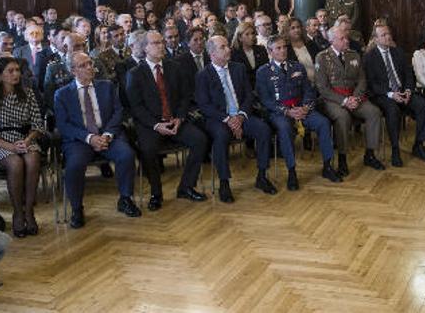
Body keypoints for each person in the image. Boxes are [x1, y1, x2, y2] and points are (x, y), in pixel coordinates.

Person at [54, 53, 141, 228]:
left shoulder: (107, 86)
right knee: (74, 165)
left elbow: (118, 112)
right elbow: (63, 125)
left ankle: (125, 198)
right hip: (80, 140)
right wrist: (89, 138)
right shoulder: (62, 94)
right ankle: (77, 208)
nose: (89, 67)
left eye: (90, 63)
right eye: (83, 65)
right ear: (73, 71)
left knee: (126, 155)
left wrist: (107, 135)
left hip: (107, 135)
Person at [127, 31, 209, 210]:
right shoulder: (135, 73)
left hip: (175, 120)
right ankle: (156, 193)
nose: (161, 46)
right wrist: (157, 125)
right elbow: (136, 107)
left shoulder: (174, 67)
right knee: (147, 149)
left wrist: (179, 118)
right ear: (145, 48)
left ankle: (186, 186)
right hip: (151, 125)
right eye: (156, 43)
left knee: (200, 139)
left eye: (162, 42)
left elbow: (185, 96)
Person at [196, 36, 276, 202]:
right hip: (218, 119)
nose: (228, 49)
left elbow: (248, 95)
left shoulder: (238, 68)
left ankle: (262, 176)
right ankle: (224, 183)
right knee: (221, 136)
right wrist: (228, 119)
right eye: (223, 47)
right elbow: (204, 106)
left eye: (227, 46)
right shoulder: (203, 75)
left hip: (241, 114)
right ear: (211, 53)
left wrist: (240, 116)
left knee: (263, 129)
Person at [256, 35, 342, 190]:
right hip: (279, 113)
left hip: (302, 109)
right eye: (278, 48)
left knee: (323, 123)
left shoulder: (297, 66)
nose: (283, 51)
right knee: (285, 128)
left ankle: (328, 166)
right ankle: (292, 171)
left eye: (285, 47)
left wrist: (305, 108)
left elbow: (308, 91)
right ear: (270, 51)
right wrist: (287, 111)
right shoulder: (263, 72)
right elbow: (265, 100)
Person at [0, 57, 46, 237]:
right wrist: (11, 147)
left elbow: (38, 125)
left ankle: (29, 211)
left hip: (24, 139)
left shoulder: (27, 92)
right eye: (11, 71)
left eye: (17, 70)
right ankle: (18, 212)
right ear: (0, 76)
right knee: (15, 163)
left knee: (33, 158)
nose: (16, 74)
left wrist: (28, 140)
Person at [315, 26, 384, 175]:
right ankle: (342, 159)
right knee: (342, 116)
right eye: (342, 38)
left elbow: (362, 80)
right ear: (331, 40)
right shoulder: (322, 57)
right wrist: (344, 101)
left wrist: (356, 98)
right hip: (332, 100)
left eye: (347, 38)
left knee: (374, 112)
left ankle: (370, 154)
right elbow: (323, 88)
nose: (347, 41)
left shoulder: (354, 55)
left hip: (354, 97)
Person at [363, 24, 425, 166]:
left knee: (423, 106)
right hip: (384, 95)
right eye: (383, 35)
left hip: (402, 91)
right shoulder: (369, 57)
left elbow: (409, 74)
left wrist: (408, 90)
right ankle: (395, 150)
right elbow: (371, 84)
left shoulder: (398, 52)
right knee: (393, 110)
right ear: (376, 39)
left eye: (388, 33)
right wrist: (390, 94)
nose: (388, 36)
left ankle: (419, 145)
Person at [287, 17, 322, 82]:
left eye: (298, 27)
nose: (296, 30)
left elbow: (319, 61)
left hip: (317, 81)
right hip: (298, 84)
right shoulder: (286, 48)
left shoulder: (310, 44)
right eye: (293, 28)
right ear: (287, 30)